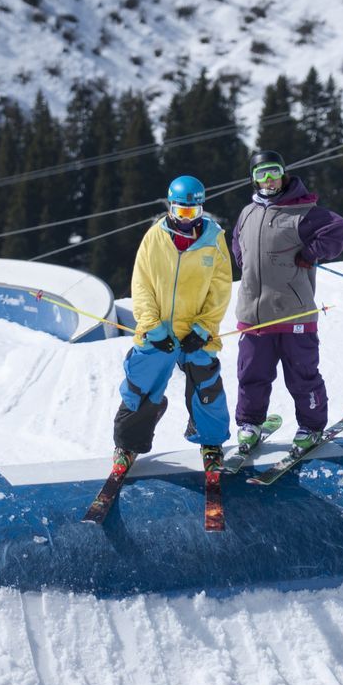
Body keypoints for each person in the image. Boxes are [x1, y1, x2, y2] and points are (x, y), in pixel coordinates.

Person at [231, 149, 343, 453]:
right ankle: (250, 424)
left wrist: (310, 253)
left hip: (294, 313)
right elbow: (237, 244)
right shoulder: (247, 213)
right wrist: (247, 264)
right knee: (251, 374)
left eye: (274, 171)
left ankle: (310, 427)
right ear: (253, 179)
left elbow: (339, 228)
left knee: (302, 375)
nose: (269, 179)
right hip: (254, 315)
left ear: (283, 174)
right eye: (261, 174)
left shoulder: (302, 211)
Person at [113, 174, 232, 469]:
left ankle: (211, 441)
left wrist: (203, 328)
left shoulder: (214, 240)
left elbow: (220, 289)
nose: (186, 219)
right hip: (159, 330)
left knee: (206, 383)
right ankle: (127, 445)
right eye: (181, 211)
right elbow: (141, 285)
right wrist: (152, 327)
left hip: (195, 331)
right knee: (141, 382)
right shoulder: (155, 238)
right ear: (170, 207)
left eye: (193, 212)